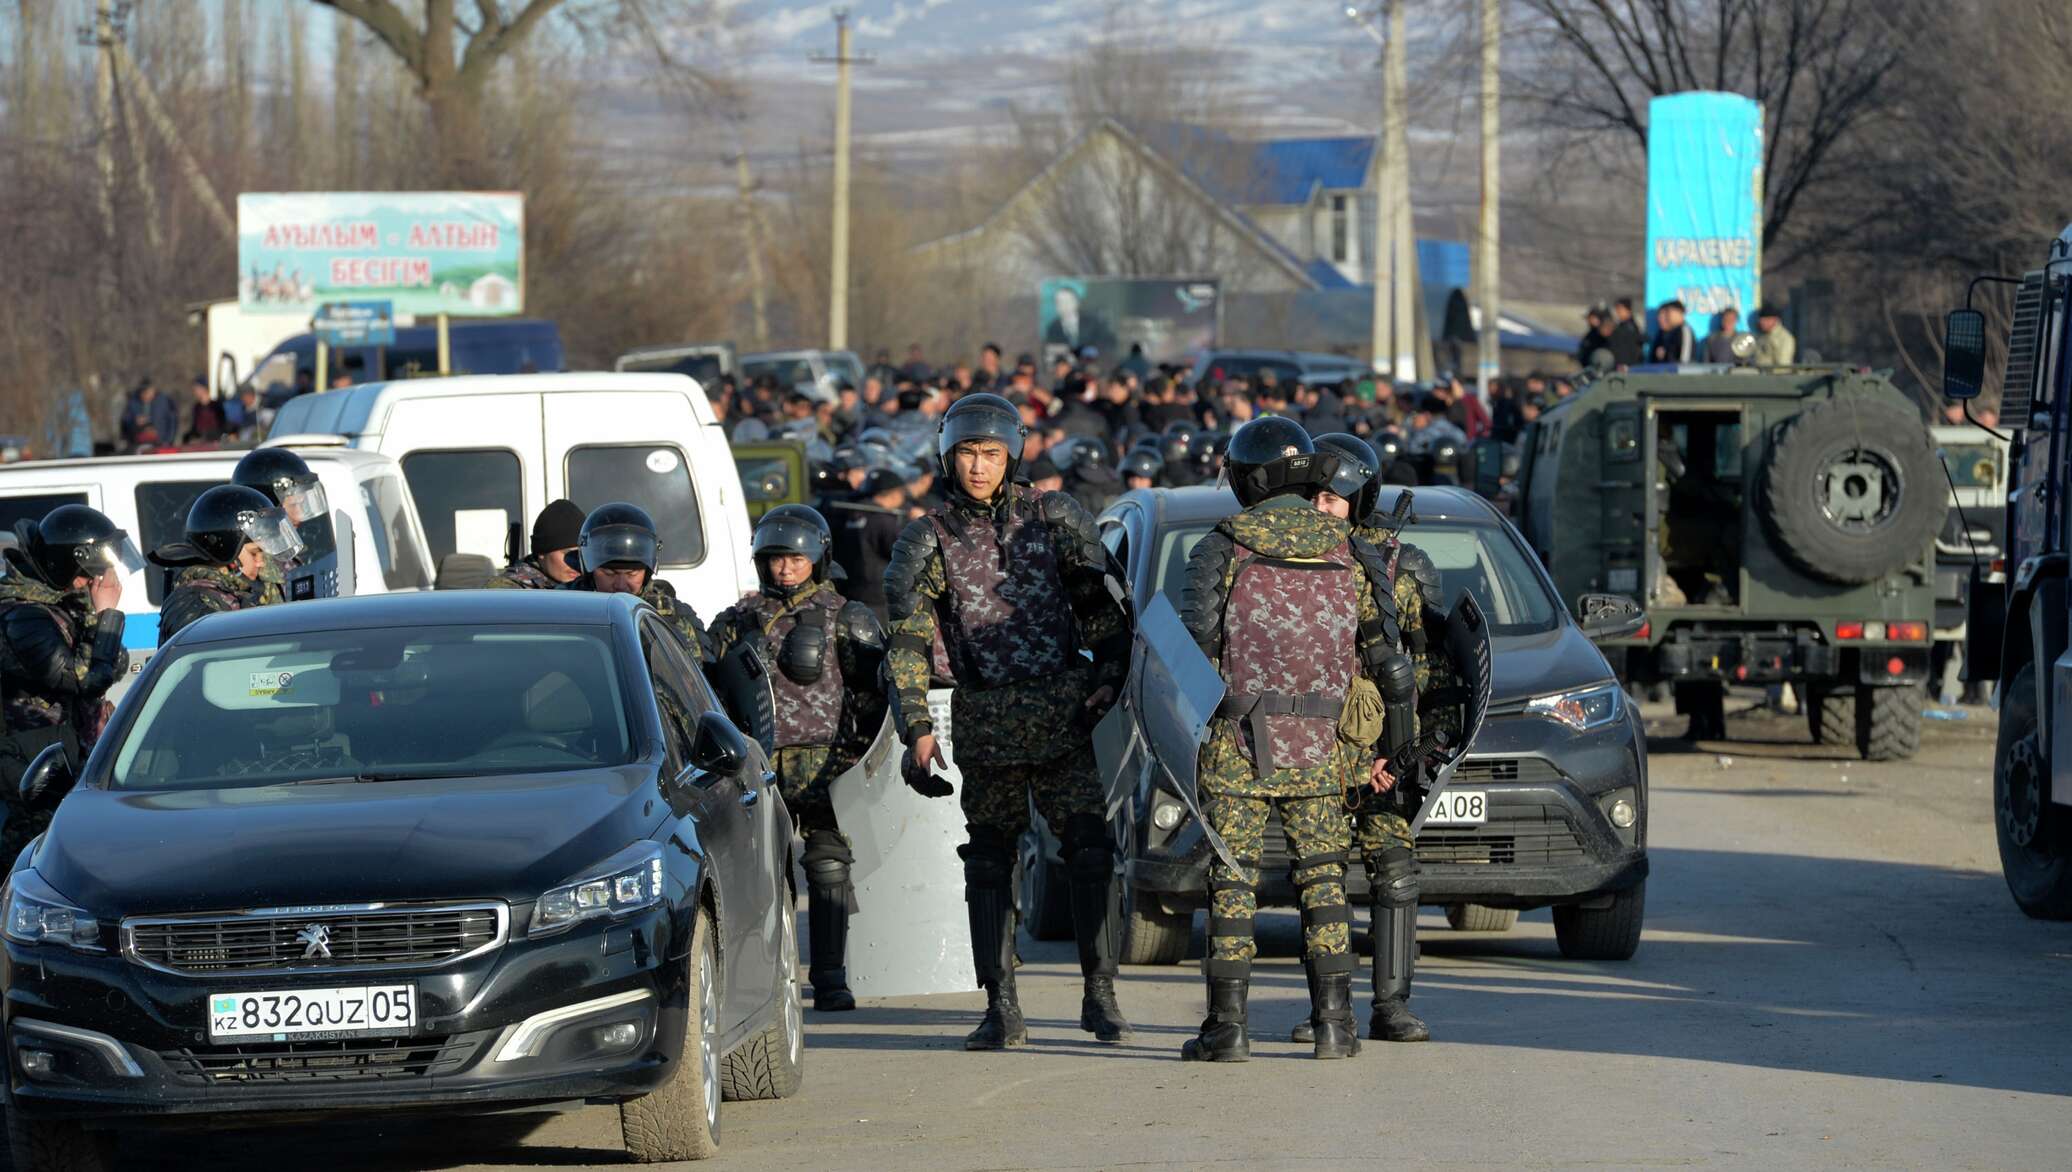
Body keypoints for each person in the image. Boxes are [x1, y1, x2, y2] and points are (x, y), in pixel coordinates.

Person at [884, 392, 1133, 1050]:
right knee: (989, 865)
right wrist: (916, 726)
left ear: (1011, 457)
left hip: (1062, 719)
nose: (978, 466)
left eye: (991, 454)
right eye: (967, 453)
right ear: (948, 457)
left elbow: (1103, 607)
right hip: (987, 724)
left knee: (1090, 852)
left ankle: (1099, 993)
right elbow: (907, 642)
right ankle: (1001, 1005)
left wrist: (1109, 677)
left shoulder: (1053, 517)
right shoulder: (927, 538)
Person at [1177, 417, 1395, 1062]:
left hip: (1238, 740)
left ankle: (1228, 1028)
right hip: (1325, 744)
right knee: (1325, 877)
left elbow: (1193, 650)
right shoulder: (1351, 547)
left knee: (1234, 878)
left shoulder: (1223, 544)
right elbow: (1383, 655)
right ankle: (1334, 1025)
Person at [708, 506, 886, 1012]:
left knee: (829, 868)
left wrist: (865, 761)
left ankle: (831, 977)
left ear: (818, 559)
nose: (786, 568)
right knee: (762, 873)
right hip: (758, 767)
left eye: (796, 558)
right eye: (776, 558)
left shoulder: (848, 617)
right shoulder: (737, 621)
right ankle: (768, 981)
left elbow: (874, 693)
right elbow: (710, 685)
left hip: (830, 765)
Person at [1302, 434, 1449, 1044]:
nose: (1320, 508)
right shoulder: (1289, 565)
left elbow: (1428, 666)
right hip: (1315, 748)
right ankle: (1327, 1009)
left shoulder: (1401, 567)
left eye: (1333, 499)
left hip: (1384, 747)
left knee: (1395, 872)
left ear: (1359, 501)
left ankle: (1392, 1007)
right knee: (1321, 878)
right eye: (1312, 496)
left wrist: (1407, 750)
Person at [0, 506, 135, 862]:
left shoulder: (63, 606)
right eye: (93, 570)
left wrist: (97, 619)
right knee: (35, 855)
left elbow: (114, 664)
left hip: (67, 753)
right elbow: (86, 679)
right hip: (32, 763)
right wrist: (106, 615)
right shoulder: (23, 617)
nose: (100, 579)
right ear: (70, 565)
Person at [560, 502, 709, 661]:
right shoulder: (562, 609)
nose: (621, 585)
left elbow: (693, 678)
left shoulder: (672, 617)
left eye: (632, 573)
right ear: (589, 570)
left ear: (647, 573)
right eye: (610, 573)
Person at [148, 485, 291, 644]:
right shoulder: (196, 603)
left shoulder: (240, 591)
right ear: (229, 555)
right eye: (254, 553)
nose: (261, 562)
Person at [230, 448, 330, 606]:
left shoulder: (286, 553)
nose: (299, 514)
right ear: (267, 507)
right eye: (294, 505)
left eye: (303, 504)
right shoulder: (241, 562)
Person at [828, 468, 908, 622]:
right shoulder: (884, 521)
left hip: (850, 592)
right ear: (894, 493)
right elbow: (903, 554)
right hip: (878, 599)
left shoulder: (849, 516)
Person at [487, 499, 585, 589]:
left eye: (582, 554)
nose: (576, 562)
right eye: (568, 554)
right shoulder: (507, 592)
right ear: (542, 552)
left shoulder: (592, 586)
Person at [119, 379, 177, 451]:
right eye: (143, 393)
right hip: (138, 443)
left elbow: (172, 421)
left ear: (153, 390)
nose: (146, 396)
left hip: (160, 443)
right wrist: (135, 422)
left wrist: (168, 441)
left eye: (148, 392)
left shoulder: (164, 401)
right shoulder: (133, 402)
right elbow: (125, 422)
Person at [1649, 300, 1696, 364]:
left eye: (1668, 313)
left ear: (1679, 313)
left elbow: (1685, 361)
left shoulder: (1684, 330)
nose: (1667, 317)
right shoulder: (1661, 333)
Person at [183, 376, 227, 443]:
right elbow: (195, 427)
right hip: (201, 441)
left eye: (197, 389)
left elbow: (222, 424)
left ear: (203, 388)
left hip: (214, 441)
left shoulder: (216, 405)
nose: (195, 392)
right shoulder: (197, 407)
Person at [1608, 298, 1645, 367]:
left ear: (1628, 310)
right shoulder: (1620, 325)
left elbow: (1630, 349)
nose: (1617, 312)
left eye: (1620, 309)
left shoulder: (1630, 327)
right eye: (1617, 309)